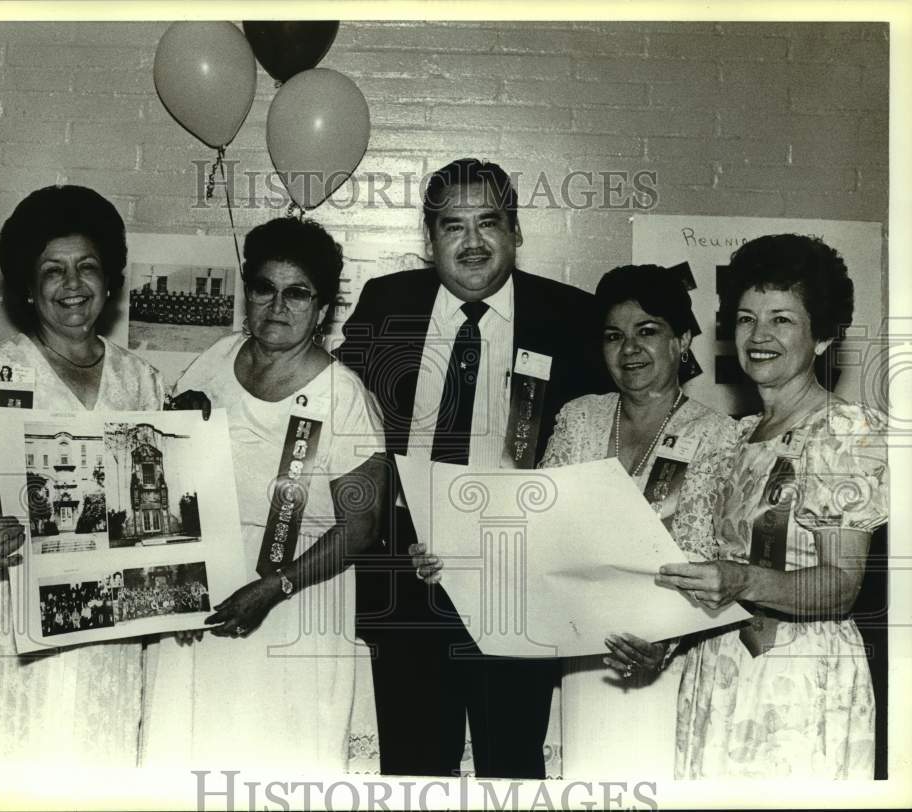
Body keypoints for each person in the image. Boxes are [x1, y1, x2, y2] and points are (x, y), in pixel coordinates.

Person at [336, 158, 609, 778]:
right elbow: (335, 403)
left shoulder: (570, 317)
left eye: (489, 222)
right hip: (410, 583)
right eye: (452, 226)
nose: (473, 242)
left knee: (510, 771)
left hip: (518, 586)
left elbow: (604, 451)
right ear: (428, 240)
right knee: (412, 773)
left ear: (515, 230)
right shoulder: (387, 303)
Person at [415, 264, 740, 775]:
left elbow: (713, 560)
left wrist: (662, 644)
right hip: (585, 655)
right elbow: (533, 525)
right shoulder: (580, 416)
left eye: (647, 332)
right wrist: (454, 553)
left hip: (667, 657)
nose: (629, 349)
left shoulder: (721, 436)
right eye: (614, 336)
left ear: (683, 341)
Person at [141, 216, 388, 772]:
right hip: (202, 588)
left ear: (323, 309)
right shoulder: (212, 361)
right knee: (189, 750)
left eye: (297, 293)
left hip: (296, 598)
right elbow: (169, 472)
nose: (278, 306)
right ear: (247, 293)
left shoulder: (342, 396)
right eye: (264, 289)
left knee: (281, 758)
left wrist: (274, 588)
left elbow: (361, 528)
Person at [0, 185, 167, 765]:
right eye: (53, 270)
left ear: (109, 280)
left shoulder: (143, 382)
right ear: (26, 286)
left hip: (104, 623)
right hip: (3, 610)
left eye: (87, 267)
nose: (72, 285)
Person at [655, 234, 888, 778]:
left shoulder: (844, 432)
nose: (758, 336)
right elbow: (713, 576)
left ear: (824, 336)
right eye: (744, 318)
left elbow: (842, 584)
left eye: (781, 319)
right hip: (721, 669)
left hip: (801, 682)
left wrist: (742, 581)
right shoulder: (735, 439)